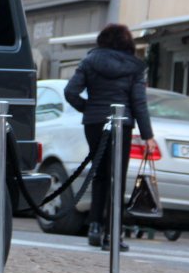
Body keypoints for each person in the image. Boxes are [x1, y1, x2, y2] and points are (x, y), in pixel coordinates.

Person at [64, 23, 158, 251]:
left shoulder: (90, 61)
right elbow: (138, 102)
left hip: (94, 123)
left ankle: (94, 228)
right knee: (116, 177)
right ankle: (112, 234)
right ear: (127, 43)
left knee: (99, 174)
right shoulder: (134, 67)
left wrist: (89, 108)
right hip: (121, 124)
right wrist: (148, 136)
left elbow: (70, 92)